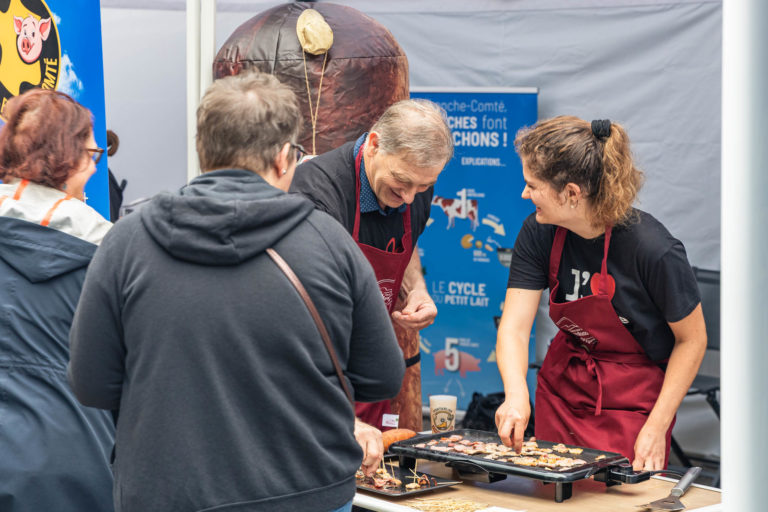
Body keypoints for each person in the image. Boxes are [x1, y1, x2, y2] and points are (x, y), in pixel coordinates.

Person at [67, 71, 404, 512]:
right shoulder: (328, 241)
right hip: (306, 491)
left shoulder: (126, 241)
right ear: (285, 157)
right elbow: (381, 375)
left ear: (204, 150)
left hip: (165, 493)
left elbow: (92, 385)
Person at [495, 116, 706, 471]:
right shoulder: (539, 231)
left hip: (632, 401)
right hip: (563, 388)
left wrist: (656, 427)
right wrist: (516, 396)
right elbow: (515, 327)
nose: (524, 194)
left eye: (532, 185)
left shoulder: (652, 249)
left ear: (572, 193)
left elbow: (692, 340)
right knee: (552, 498)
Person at [290, 98, 453, 459]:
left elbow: (406, 244)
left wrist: (418, 290)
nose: (409, 197)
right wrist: (339, 414)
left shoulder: (413, 191)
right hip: (317, 373)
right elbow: (304, 303)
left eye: (423, 187)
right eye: (402, 182)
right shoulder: (318, 190)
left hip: (369, 367)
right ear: (375, 144)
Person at [0, 89, 114, 512]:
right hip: (78, 466)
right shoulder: (112, 253)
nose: (95, 166)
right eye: (93, 153)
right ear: (72, 157)